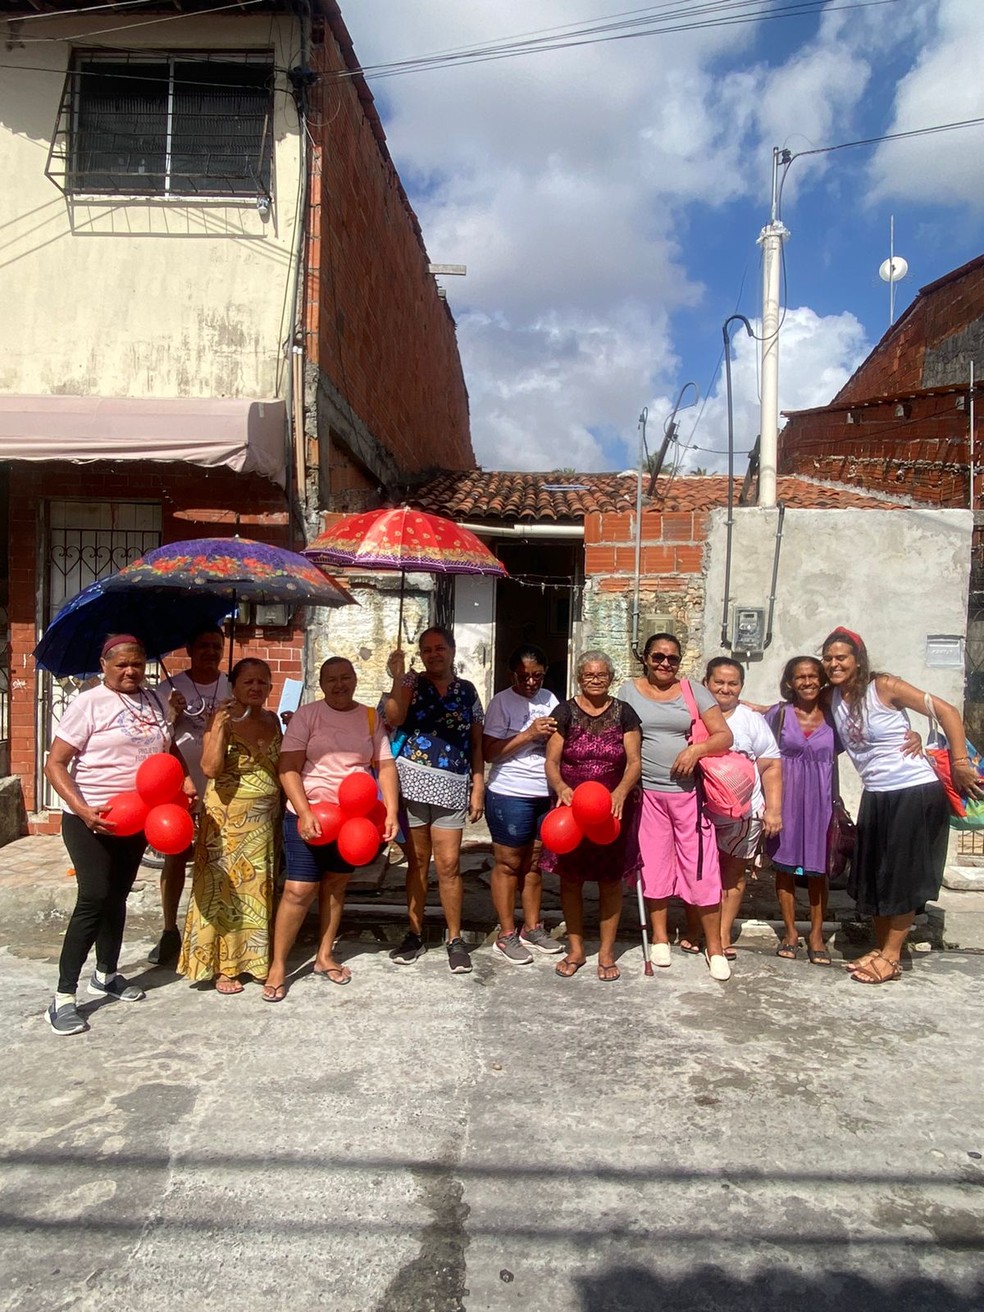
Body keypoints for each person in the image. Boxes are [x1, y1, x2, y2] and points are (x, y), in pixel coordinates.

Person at [821, 626, 982, 984]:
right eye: (828, 658)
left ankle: (892, 957)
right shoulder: (832, 696)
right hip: (876, 794)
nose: (834, 663)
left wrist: (960, 763)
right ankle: (882, 949)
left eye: (841, 657)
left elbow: (946, 711)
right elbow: (789, 709)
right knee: (877, 875)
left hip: (914, 791)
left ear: (857, 660)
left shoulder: (884, 686)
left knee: (902, 875)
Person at [42, 635, 182, 1035]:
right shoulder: (88, 703)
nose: (130, 671)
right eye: (121, 664)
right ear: (104, 665)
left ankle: (105, 974)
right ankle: (62, 998)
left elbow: (164, 752)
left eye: (137, 664)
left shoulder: (155, 700)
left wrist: (173, 720)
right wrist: (83, 809)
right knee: (94, 897)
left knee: (118, 895)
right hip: (89, 818)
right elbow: (55, 764)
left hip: (135, 818)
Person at [263, 657, 398, 1001]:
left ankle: (324, 956)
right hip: (308, 815)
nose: (340, 685)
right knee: (298, 889)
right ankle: (278, 966)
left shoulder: (370, 717)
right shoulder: (307, 716)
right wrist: (304, 811)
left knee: (336, 886)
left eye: (345, 677)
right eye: (332, 679)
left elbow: (384, 767)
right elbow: (288, 768)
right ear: (322, 685)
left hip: (353, 820)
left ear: (355, 679)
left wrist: (392, 813)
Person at [618, 633, 734, 981]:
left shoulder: (692, 691)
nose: (665, 663)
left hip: (690, 796)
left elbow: (723, 735)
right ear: (645, 658)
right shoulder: (628, 692)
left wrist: (696, 750)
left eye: (672, 658)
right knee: (654, 866)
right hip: (648, 796)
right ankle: (660, 937)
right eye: (658, 657)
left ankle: (715, 947)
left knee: (701, 869)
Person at [177, 659, 282, 993]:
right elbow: (209, 768)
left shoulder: (273, 720)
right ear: (233, 686)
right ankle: (225, 967)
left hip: (264, 825)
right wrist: (220, 727)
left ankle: (256, 961)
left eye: (262, 682)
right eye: (248, 682)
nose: (256, 688)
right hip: (226, 824)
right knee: (226, 892)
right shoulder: (220, 718)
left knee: (257, 890)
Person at [384, 627, 484, 975]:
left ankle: (455, 938)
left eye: (439, 648)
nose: (433, 654)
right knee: (417, 864)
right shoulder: (411, 683)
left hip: (452, 787)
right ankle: (414, 934)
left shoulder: (467, 691)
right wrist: (397, 678)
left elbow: (476, 743)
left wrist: (478, 785)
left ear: (452, 650)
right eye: (427, 649)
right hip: (411, 785)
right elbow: (394, 717)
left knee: (450, 865)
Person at [542, 650, 641, 982]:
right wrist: (560, 787)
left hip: (612, 810)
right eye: (588, 675)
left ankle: (607, 952)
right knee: (570, 879)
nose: (595, 680)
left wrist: (621, 792)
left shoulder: (624, 713)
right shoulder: (564, 712)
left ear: (610, 678)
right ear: (579, 678)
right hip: (571, 811)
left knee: (610, 880)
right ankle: (576, 949)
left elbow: (634, 762)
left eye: (601, 675)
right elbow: (552, 761)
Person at [682, 657, 782, 961]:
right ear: (706, 684)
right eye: (719, 682)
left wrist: (774, 810)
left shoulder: (751, 720)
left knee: (734, 873)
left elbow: (771, 765)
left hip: (744, 814)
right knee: (698, 872)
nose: (725, 689)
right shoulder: (690, 716)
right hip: (699, 811)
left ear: (741, 686)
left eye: (733, 683)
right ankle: (695, 930)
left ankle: (723, 934)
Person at [150, 627, 230, 967]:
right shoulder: (168, 689)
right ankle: (170, 930)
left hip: (223, 788)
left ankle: (215, 929)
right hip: (181, 786)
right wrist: (173, 714)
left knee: (218, 860)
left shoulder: (232, 685)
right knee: (175, 856)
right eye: (203, 646)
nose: (211, 652)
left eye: (217, 646)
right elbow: (152, 740)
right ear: (189, 649)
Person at [483, 643, 563, 965]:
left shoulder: (551, 700)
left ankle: (533, 927)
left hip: (543, 792)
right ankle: (506, 934)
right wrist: (529, 734)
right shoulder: (501, 702)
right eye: (523, 676)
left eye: (537, 676)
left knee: (533, 863)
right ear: (511, 674)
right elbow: (490, 752)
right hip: (509, 792)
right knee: (508, 864)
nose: (530, 682)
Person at [762, 656, 837, 964]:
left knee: (819, 870)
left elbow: (863, 740)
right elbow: (761, 750)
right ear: (790, 683)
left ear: (822, 680)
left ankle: (816, 935)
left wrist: (913, 736)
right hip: (785, 799)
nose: (807, 682)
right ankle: (791, 932)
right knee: (785, 868)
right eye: (800, 677)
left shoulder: (835, 717)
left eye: (813, 676)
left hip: (821, 801)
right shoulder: (778, 714)